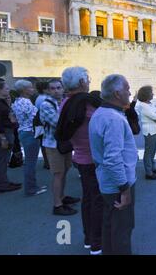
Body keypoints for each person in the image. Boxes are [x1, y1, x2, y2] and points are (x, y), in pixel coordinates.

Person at [55, 67, 103, 255]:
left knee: (88, 199)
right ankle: (97, 243)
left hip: (81, 157)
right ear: (82, 82)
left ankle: (88, 238)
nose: (89, 81)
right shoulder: (86, 104)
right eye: (88, 79)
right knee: (98, 201)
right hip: (94, 159)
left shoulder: (66, 102)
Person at [89, 74, 137, 255]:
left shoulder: (101, 113)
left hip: (108, 183)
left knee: (111, 226)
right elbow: (113, 158)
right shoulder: (113, 119)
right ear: (117, 93)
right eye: (127, 89)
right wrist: (124, 189)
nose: (130, 92)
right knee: (122, 230)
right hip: (118, 184)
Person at [40, 79, 79, 215]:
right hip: (53, 144)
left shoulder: (63, 102)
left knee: (65, 170)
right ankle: (57, 205)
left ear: (63, 89)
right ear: (48, 90)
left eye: (58, 87)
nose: (56, 90)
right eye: (52, 88)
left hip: (64, 143)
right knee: (58, 174)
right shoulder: (46, 104)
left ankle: (62, 197)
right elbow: (58, 123)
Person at [12, 80, 47, 196]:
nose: (33, 89)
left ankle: (32, 186)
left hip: (23, 131)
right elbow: (36, 117)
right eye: (30, 87)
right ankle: (31, 188)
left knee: (30, 161)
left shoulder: (17, 101)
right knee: (30, 162)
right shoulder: (26, 102)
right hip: (30, 133)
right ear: (24, 90)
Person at [0, 80, 22, 192]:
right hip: (4, 133)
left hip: (8, 131)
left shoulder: (1, 102)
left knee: (4, 159)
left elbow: (8, 115)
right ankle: (3, 185)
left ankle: (5, 182)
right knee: (2, 160)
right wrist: (3, 138)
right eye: (7, 88)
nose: (9, 90)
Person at [137, 85, 156, 180]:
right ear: (146, 95)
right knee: (149, 152)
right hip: (149, 131)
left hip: (155, 129)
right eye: (151, 92)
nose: (153, 94)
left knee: (153, 150)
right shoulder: (143, 105)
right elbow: (155, 116)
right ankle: (148, 172)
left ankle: (152, 167)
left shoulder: (149, 103)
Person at [35, 81, 50, 169]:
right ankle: (48, 162)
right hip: (44, 124)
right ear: (44, 89)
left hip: (40, 124)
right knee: (45, 143)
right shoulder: (44, 98)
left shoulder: (39, 97)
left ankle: (47, 162)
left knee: (43, 143)